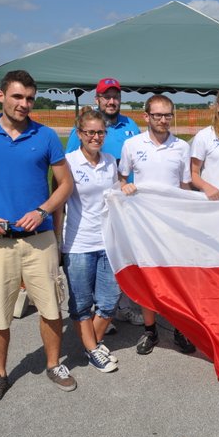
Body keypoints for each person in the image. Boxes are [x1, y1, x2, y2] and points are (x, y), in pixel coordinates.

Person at [0, 69, 76, 406]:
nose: (24, 104)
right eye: (17, 97)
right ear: (1, 96)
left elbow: (65, 184)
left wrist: (42, 211)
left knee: (51, 307)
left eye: (29, 98)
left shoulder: (47, 135)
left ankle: (54, 365)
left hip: (39, 240)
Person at [118, 94, 196, 355]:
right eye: (157, 115)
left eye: (167, 115)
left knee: (175, 279)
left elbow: (185, 186)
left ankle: (179, 330)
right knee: (148, 279)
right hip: (142, 224)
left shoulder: (182, 147)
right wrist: (123, 186)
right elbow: (121, 178)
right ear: (146, 116)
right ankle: (150, 331)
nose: (163, 120)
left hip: (173, 225)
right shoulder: (131, 145)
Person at [66, 78, 143, 328]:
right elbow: (67, 171)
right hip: (89, 217)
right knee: (88, 279)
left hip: (126, 207)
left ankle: (119, 308)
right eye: (106, 96)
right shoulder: (80, 131)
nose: (111, 101)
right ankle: (96, 322)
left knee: (121, 264)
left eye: (115, 96)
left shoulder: (130, 125)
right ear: (96, 99)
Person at [56, 108, 121, 372]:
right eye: (90, 132)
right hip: (78, 243)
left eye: (100, 132)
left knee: (109, 300)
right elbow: (58, 205)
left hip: (107, 242)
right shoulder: (68, 162)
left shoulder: (110, 162)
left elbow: (115, 198)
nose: (96, 137)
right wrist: (57, 244)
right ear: (80, 134)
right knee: (81, 304)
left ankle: (89, 343)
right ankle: (94, 350)